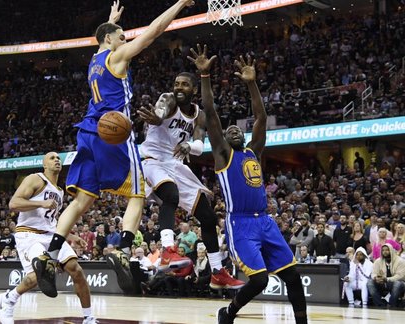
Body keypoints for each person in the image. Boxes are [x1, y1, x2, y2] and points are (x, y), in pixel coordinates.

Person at [33, 0, 197, 296]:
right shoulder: (117, 56)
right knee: (138, 193)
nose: (126, 39)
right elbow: (155, 31)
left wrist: (110, 22)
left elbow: (102, 38)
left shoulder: (95, 59)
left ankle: (49, 256)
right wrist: (179, 4)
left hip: (87, 131)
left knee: (81, 201)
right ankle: (122, 248)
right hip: (114, 131)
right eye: (121, 36)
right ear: (110, 40)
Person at [188, 46, 308, 324]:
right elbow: (210, 112)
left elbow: (262, 118)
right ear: (224, 140)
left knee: (292, 275)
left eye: (236, 129)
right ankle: (228, 313)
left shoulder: (254, 151)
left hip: (265, 221)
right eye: (229, 131)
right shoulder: (223, 155)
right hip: (240, 223)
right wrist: (204, 76)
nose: (234, 131)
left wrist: (252, 84)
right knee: (260, 280)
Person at [137, 70, 244, 288]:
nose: (179, 88)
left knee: (208, 217)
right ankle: (167, 251)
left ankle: (217, 272)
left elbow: (199, 145)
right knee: (170, 194)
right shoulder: (168, 100)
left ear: (194, 90)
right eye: (177, 83)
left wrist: (189, 146)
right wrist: (157, 118)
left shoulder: (199, 115)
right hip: (152, 158)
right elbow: (160, 112)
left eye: (185, 85)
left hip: (175, 163)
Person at [0, 152, 98, 324]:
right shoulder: (35, 179)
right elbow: (13, 204)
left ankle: (89, 318)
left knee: (76, 270)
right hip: (29, 233)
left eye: (58, 158)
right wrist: (40, 203)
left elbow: (52, 222)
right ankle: (9, 298)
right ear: (44, 165)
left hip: (50, 235)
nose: (57, 160)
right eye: (52, 158)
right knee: (36, 277)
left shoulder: (59, 190)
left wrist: (71, 236)